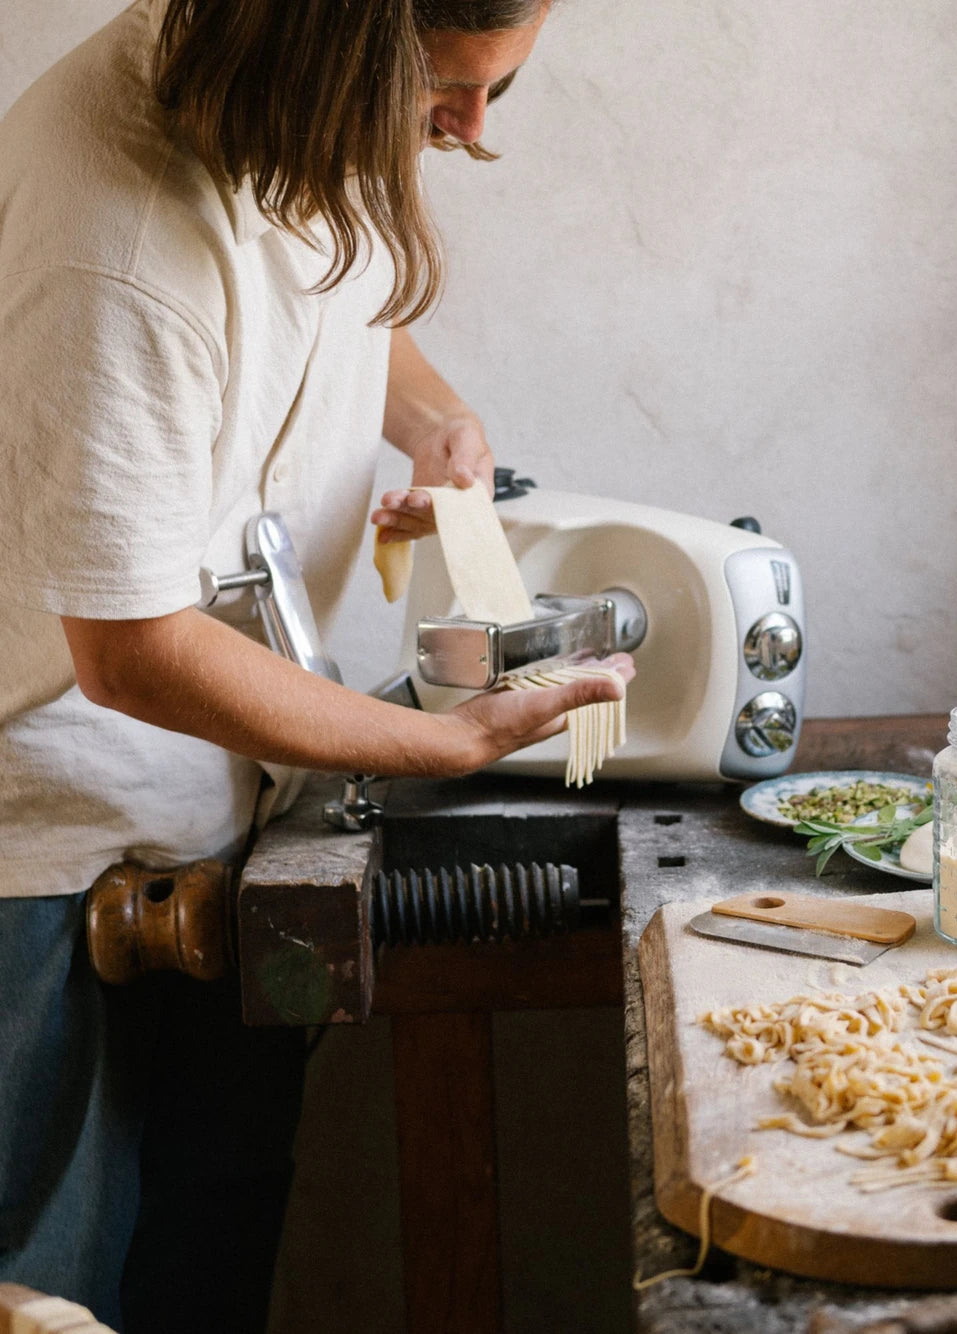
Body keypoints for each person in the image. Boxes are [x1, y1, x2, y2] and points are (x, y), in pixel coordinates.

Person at [0, 0, 631, 1328]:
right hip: (53, 851)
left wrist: (435, 423)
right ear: (337, 40)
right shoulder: (113, 233)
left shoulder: (279, 94)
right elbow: (133, 652)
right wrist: (452, 740)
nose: (467, 136)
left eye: (495, 98)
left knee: (213, 1248)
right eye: (446, 97)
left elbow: (330, 305)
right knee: (63, 1291)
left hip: (232, 794)